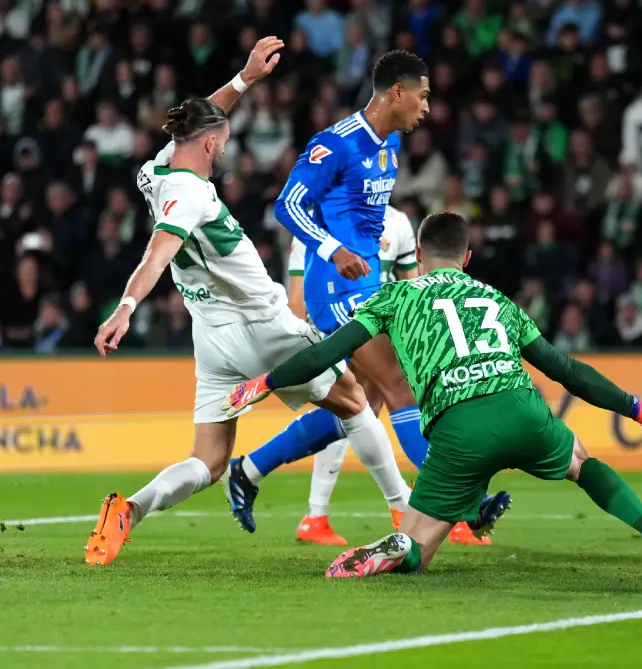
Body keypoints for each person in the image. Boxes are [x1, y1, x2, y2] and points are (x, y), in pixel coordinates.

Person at [223, 211, 642, 577]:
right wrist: (638, 408)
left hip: (457, 431)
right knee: (578, 458)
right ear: (467, 257)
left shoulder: (395, 295)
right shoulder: (495, 299)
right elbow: (565, 369)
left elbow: (325, 354)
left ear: (417, 256)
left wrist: (266, 383)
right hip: (522, 411)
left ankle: (402, 550)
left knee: (419, 543)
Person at [84, 38, 410, 566]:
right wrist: (125, 306)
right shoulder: (191, 196)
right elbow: (156, 254)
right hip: (262, 325)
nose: (226, 146)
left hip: (211, 338)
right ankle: (406, 515)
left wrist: (243, 80)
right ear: (211, 146)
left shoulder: (155, 171)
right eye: (226, 140)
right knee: (354, 400)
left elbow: (201, 122)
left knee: (208, 461)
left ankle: (129, 510)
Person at [224, 50, 507, 545]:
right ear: (396, 92)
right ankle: (464, 501)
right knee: (400, 385)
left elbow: (367, 224)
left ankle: (249, 469)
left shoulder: (390, 144)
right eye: (421, 96)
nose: (425, 107)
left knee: (359, 408)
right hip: (334, 286)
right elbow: (287, 205)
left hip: (367, 285)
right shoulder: (336, 144)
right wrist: (332, 251)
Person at [284, 204, 423, 546]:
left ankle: (316, 515)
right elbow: (297, 294)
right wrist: (301, 344)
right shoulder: (314, 221)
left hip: (384, 332)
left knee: (358, 415)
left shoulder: (398, 221)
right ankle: (434, 505)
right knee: (366, 409)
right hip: (337, 330)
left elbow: (411, 285)